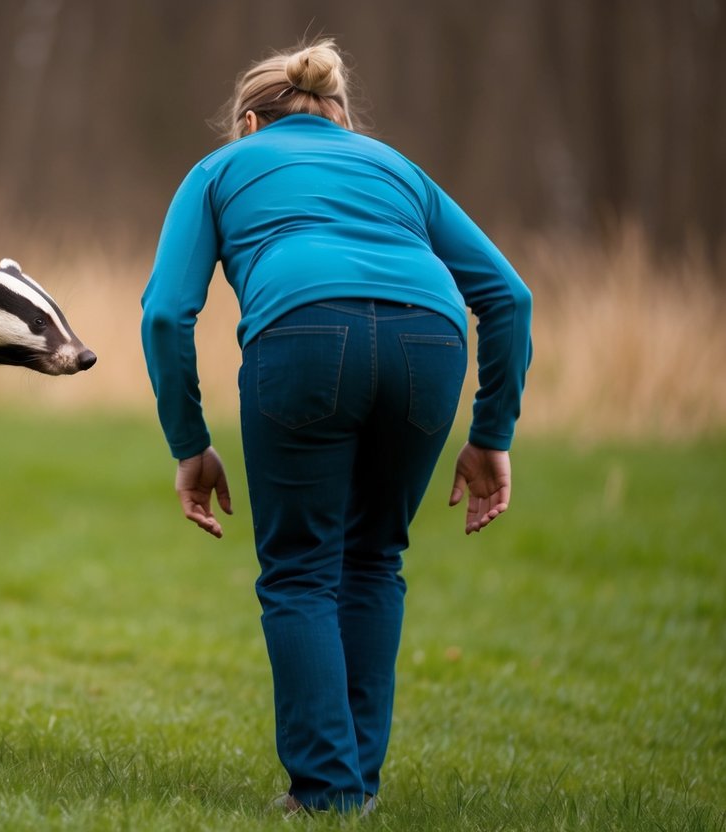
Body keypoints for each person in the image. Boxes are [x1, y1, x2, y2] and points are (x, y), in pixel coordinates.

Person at [140, 38, 532, 814]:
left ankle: (327, 791)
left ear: (249, 122)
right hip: (431, 340)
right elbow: (508, 298)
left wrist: (189, 444)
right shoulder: (394, 167)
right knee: (373, 560)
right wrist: (490, 435)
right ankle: (353, 787)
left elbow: (164, 313)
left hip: (304, 335)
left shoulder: (219, 169)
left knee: (299, 568)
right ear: (340, 117)